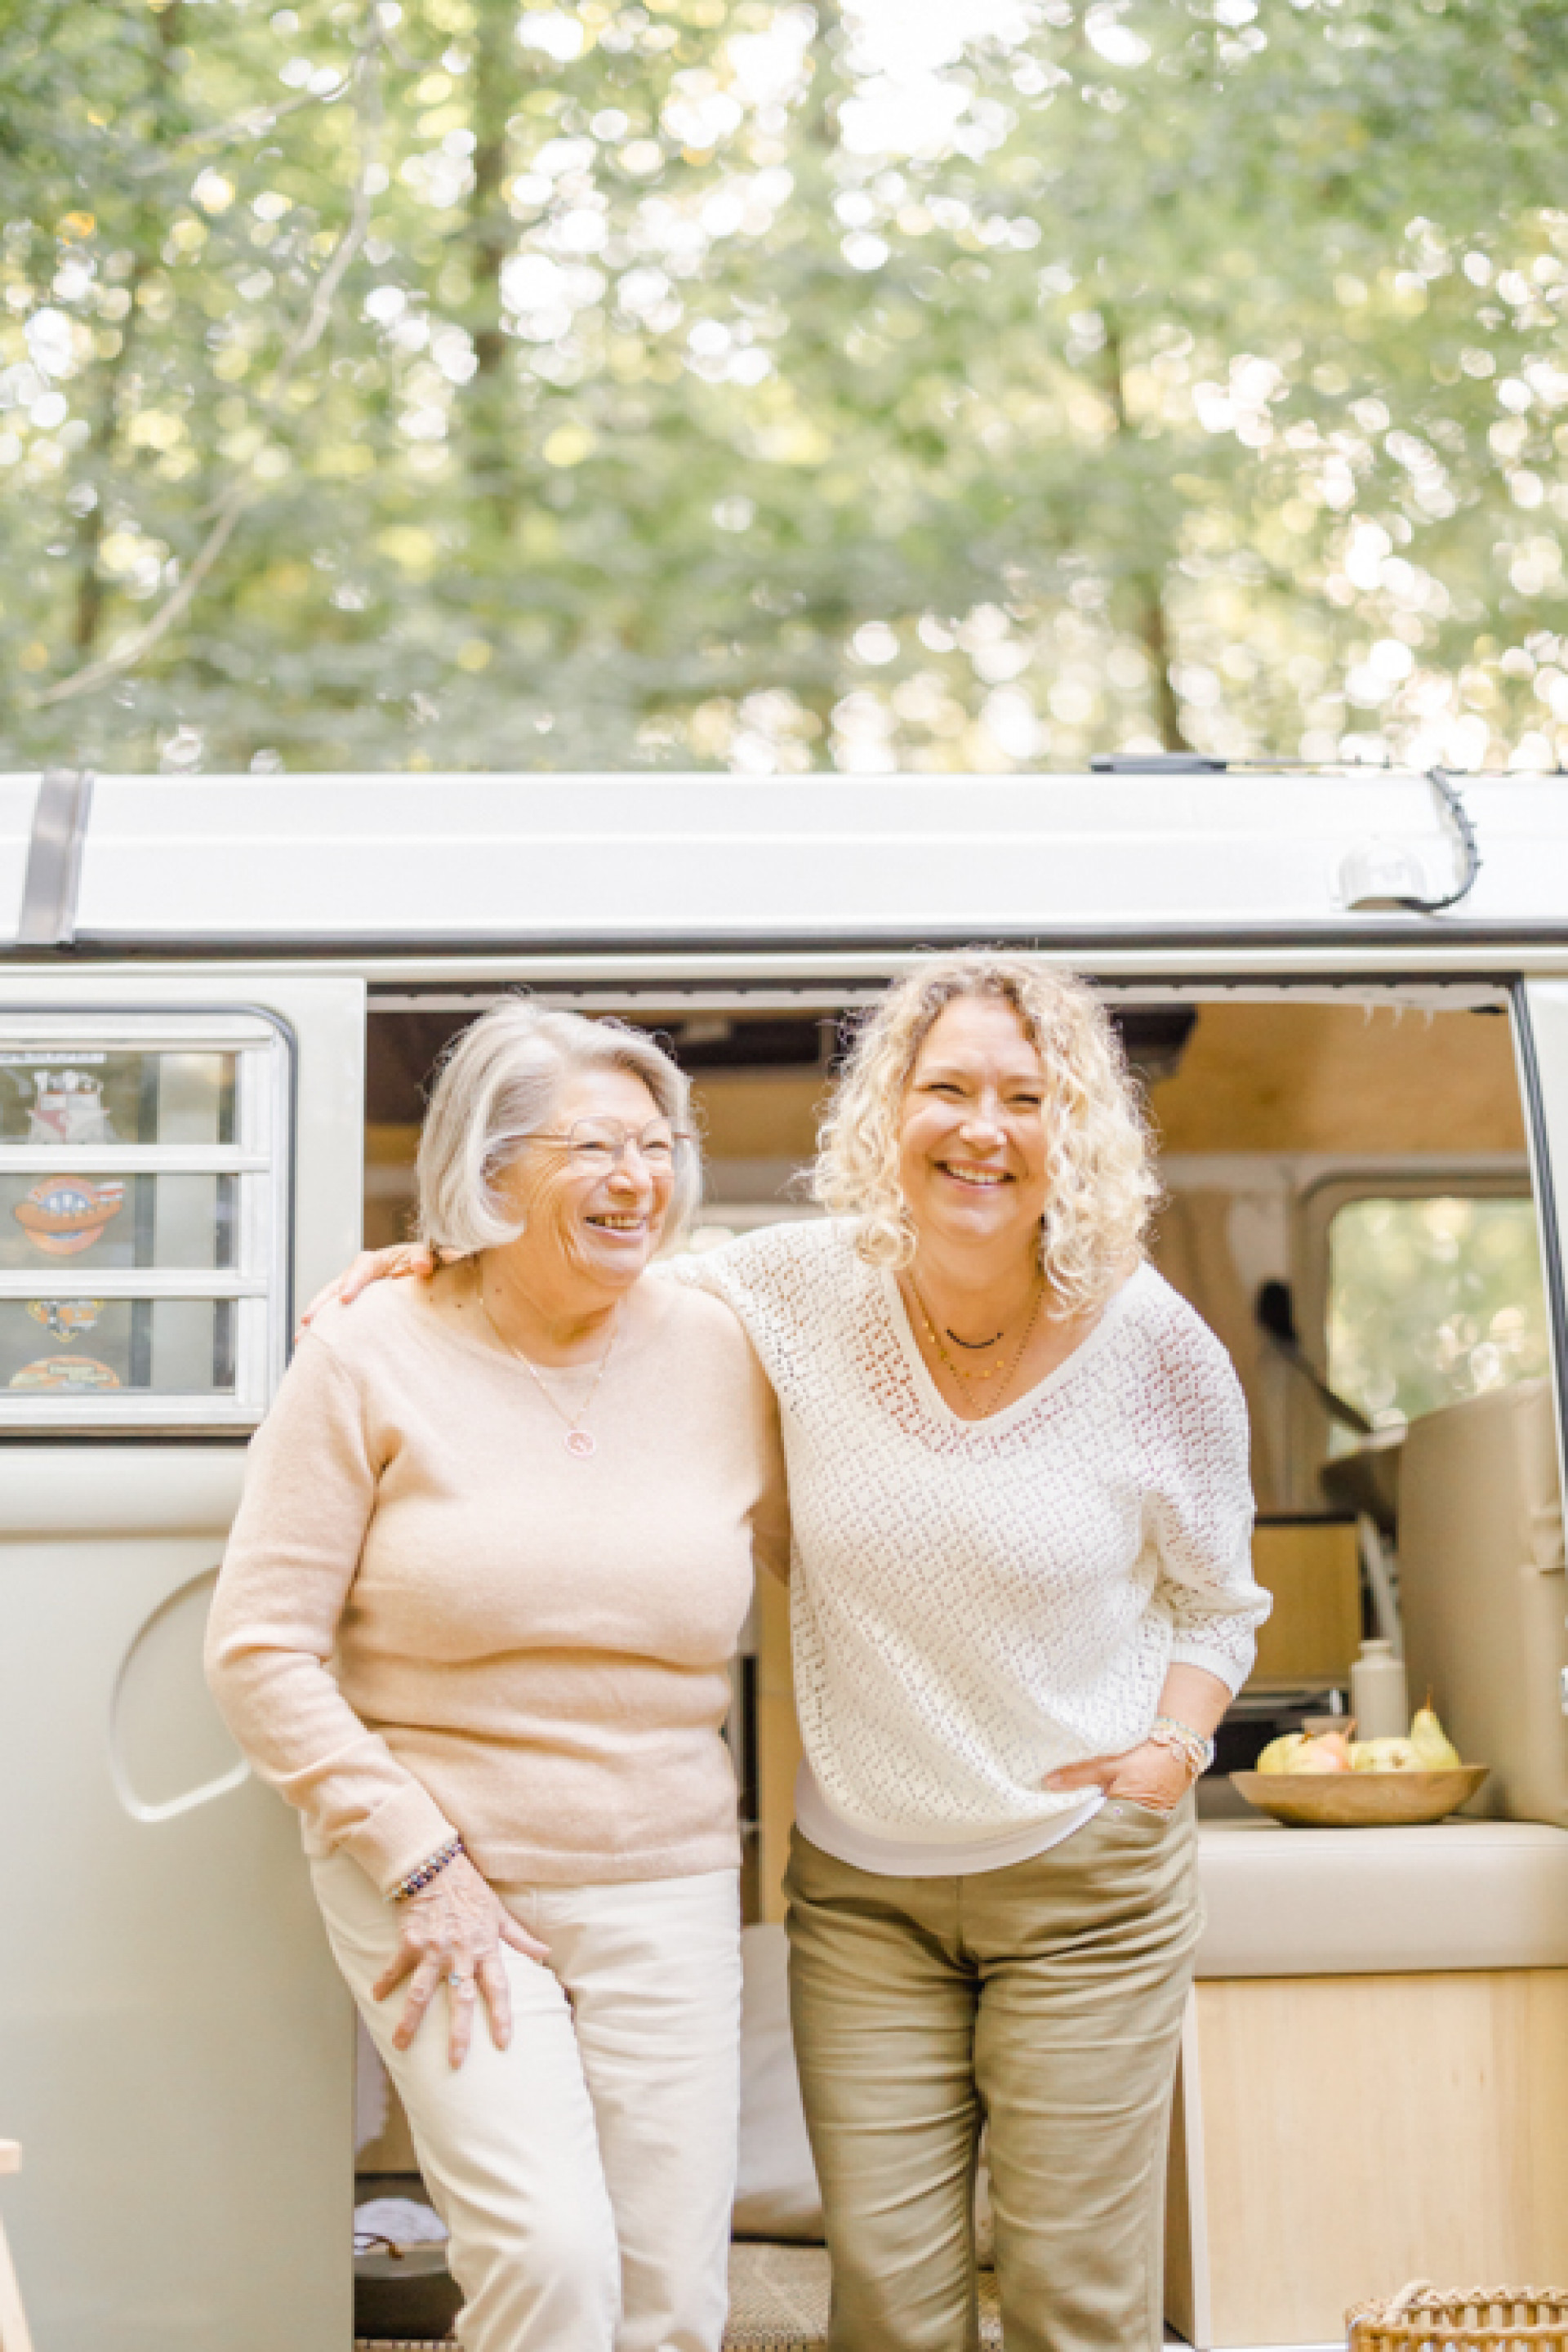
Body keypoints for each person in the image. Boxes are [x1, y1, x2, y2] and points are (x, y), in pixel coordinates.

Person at [322, 953, 1267, 2352]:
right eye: (945, 1088)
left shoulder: (1154, 1343)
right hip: (866, 1892)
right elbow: (586, 1254)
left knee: (1076, 2300)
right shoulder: (791, 1289)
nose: (981, 1128)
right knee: (885, 2297)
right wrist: (438, 1264)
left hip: (1086, 1880)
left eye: (1026, 1095)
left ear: (1076, 1131)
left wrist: (1172, 1750)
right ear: (889, 1113)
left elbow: (1219, 1600)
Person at [206, 1004, 786, 2352]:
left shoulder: (727, 1346)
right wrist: (418, 1859)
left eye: (659, 1144)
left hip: (668, 1868)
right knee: (549, 2260)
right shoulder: (368, 1348)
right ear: (492, 1167)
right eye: (592, 1147)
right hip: (441, 1867)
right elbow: (257, 1648)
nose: (638, 1178)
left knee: (671, 2300)